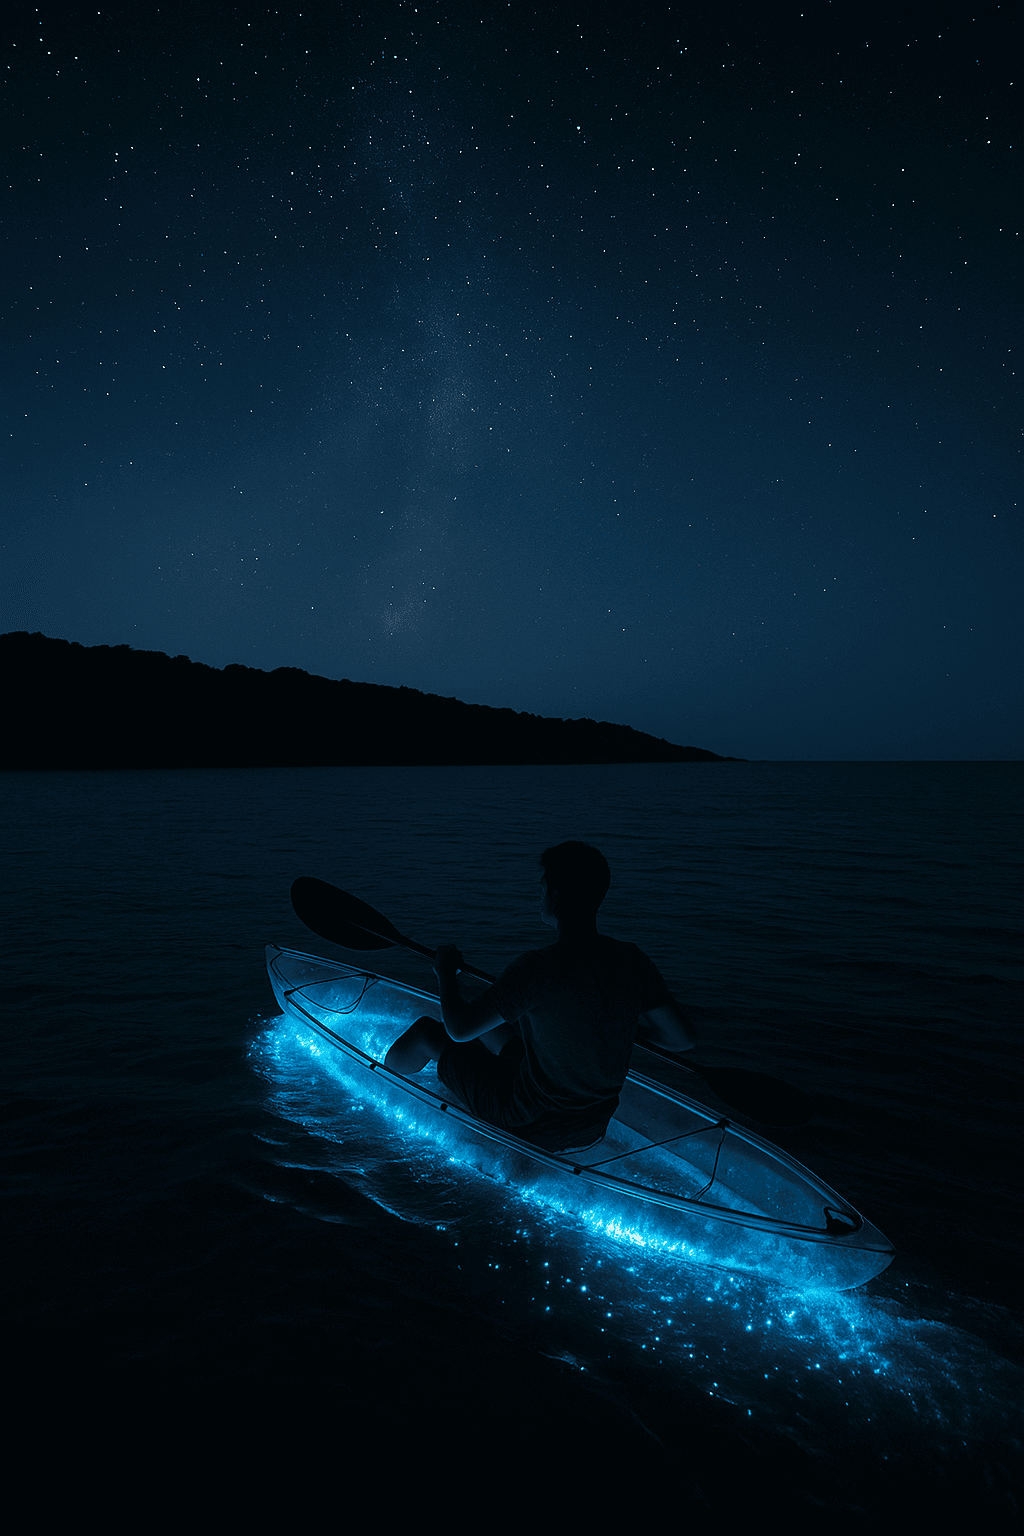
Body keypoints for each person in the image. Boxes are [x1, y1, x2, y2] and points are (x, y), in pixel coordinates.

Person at [384, 841, 696, 1153]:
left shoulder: (539, 967)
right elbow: (681, 1039)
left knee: (427, 1032)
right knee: (490, 1027)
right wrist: (618, 1025)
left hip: (527, 1121)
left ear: (555, 895)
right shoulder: (632, 962)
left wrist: (445, 973)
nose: (540, 895)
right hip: (592, 1124)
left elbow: (459, 1029)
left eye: (543, 887)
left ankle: (384, 1081)